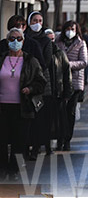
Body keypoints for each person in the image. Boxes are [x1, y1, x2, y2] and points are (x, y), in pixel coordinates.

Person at [0, 26, 47, 177]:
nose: (15, 41)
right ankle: (2, 168)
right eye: (12, 38)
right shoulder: (1, 59)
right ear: (7, 41)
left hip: (22, 107)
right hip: (2, 107)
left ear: (23, 41)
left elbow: (41, 82)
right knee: (1, 139)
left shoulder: (30, 60)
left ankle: (14, 169)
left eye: (19, 39)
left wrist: (30, 89)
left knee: (18, 141)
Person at [56, 22, 88, 151]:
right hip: (59, 81)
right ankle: (59, 138)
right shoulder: (58, 42)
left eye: (72, 29)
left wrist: (68, 64)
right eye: (68, 28)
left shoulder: (81, 43)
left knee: (70, 112)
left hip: (74, 82)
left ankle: (67, 139)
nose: (70, 31)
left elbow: (84, 62)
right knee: (59, 112)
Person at [25, 11, 53, 158]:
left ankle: (36, 148)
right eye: (34, 20)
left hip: (41, 82)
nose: (37, 23)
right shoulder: (24, 38)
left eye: (40, 21)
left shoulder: (45, 40)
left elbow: (46, 62)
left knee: (39, 117)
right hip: (24, 82)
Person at [44, 27, 72, 150]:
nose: (50, 42)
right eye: (47, 39)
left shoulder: (60, 54)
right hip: (45, 92)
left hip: (58, 92)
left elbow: (67, 74)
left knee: (60, 119)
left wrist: (67, 92)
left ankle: (62, 141)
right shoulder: (40, 53)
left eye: (52, 39)